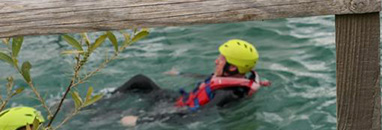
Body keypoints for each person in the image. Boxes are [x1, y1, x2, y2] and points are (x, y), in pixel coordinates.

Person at [114, 38, 268, 125]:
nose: (216, 61)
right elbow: (209, 79)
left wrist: (140, 121)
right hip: (182, 100)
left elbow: (195, 115)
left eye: (221, 59)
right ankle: (99, 101)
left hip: (180, 110)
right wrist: (180, 73)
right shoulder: (238, 78)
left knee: (132, 110)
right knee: (141, 80)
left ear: (233, 67)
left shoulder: (226, 94)